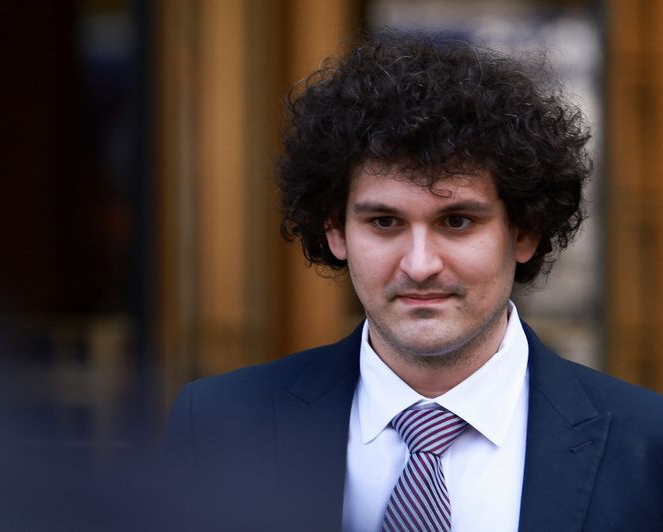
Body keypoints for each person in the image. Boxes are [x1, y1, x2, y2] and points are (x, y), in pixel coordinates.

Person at [163, 30, 663, 531]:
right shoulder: (218, 425)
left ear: (524, 232)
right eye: (385, 223)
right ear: (335, 231)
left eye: (457, 222)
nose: (420, 265)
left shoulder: (648, 445)